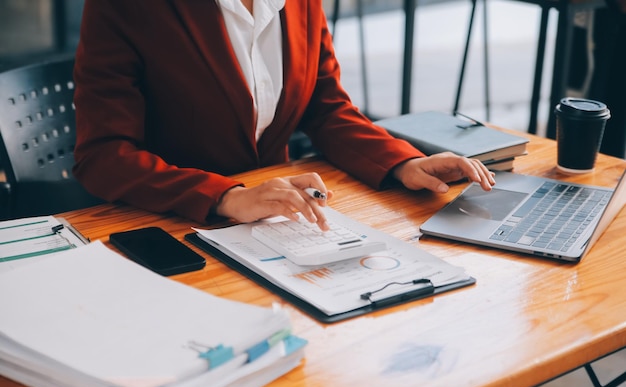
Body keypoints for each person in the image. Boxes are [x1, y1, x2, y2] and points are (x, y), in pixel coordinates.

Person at [72, 0, 495, 231]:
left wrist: (405, 162)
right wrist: (227, 197)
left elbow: (326, 108)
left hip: (278, 225)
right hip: (172, 223)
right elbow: (104, 156)